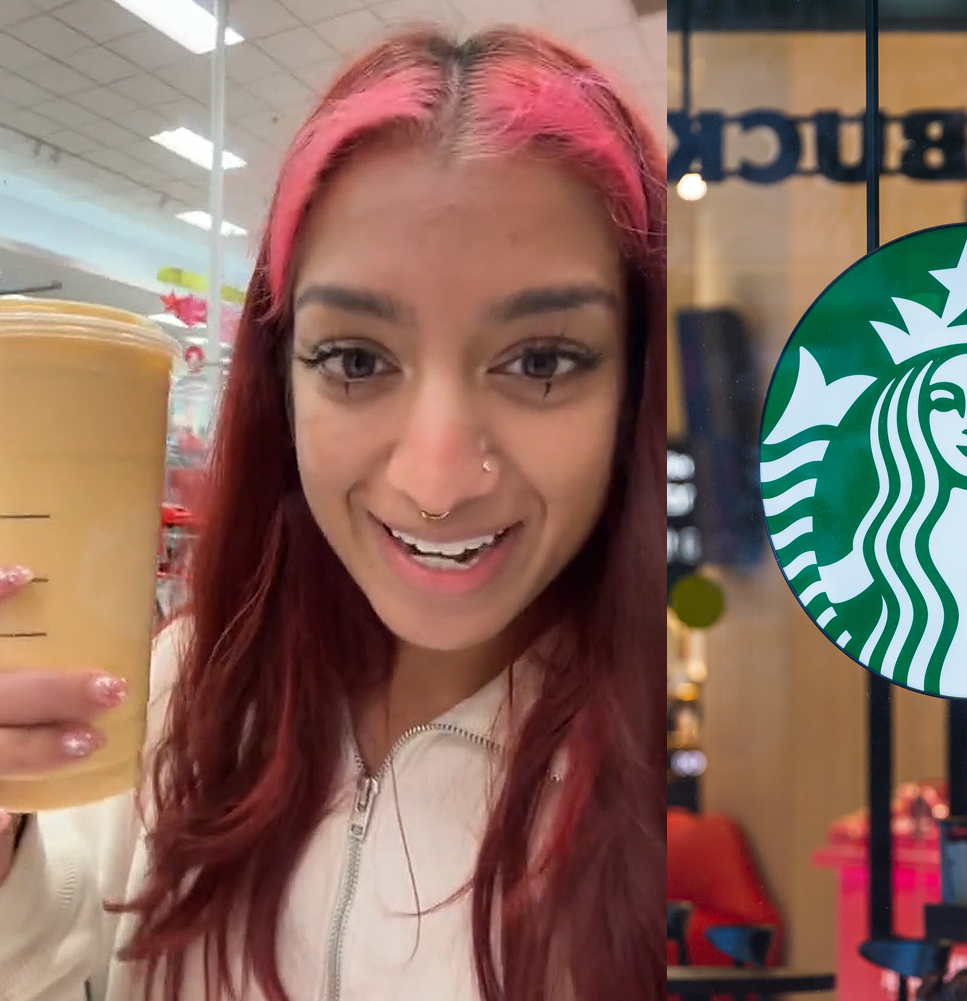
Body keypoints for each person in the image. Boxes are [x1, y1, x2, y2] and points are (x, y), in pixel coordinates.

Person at [0, 26, 687, 1000]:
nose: (437, 480)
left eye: (541, 360)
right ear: (282, 384)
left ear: (637, 391)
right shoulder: (179, 689)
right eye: (357, 360)